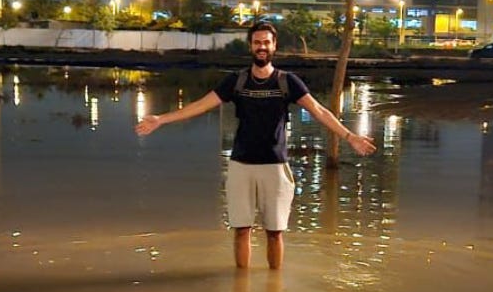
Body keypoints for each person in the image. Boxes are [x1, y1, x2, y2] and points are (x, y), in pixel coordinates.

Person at [135, 20, 376, 268]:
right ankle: (242, 290)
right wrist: (161, 119)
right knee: (241, 230)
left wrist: (350, 136)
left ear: (274, 46)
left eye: (266, 42)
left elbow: (319, 111)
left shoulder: (287, 82)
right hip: (242, 165)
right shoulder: (236, 82)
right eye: (257, 42)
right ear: (251, 46)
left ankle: (274, 288)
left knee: (275, 232)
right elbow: (199, 106)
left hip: (276, 167)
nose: (262, 47)